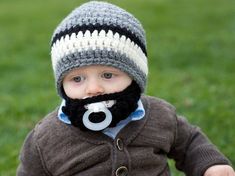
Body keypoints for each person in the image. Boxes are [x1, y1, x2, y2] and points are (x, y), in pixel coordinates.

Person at [17, 1, 235, 176]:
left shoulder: (159, 116)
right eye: (77, 79)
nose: (93, 88)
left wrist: (211, 165)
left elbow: (189, 143)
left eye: (108, 75)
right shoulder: (46, 138)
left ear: (135, 75)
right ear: (62, 84)